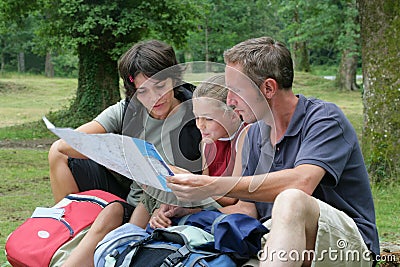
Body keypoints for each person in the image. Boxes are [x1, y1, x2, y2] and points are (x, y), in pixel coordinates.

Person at [166, 36, 379, 266]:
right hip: (277, 244)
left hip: (348, 248)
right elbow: (247, 209)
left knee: (291, 199)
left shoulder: (324, 119)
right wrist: (193, 209)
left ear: (268, 88)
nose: (230, 100)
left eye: (236, 90)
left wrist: (211, 184)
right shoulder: (254, 134)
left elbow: (301, 183)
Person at [57, 40, 202, 267]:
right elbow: (65, 145)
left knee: (117, 216)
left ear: (174, 79)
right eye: (143, 91)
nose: (154, 98)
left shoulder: (200, 113)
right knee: (62, 158)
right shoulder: (128, 110)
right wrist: (121, 153)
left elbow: (218, 184)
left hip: (176, 207)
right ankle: (68, 231)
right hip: (136, 202)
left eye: (160, 86)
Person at [136, 75, 252, 229]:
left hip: (235, 213)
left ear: (233, 115)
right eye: (197, 118)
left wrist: (191, 181)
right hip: (215, 208)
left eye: (208, 119)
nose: (200, 125)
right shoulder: (206, 143)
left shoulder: (245, 136)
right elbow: (208, 192)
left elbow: (231, 196)